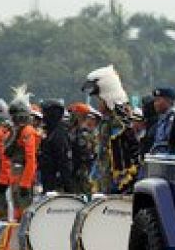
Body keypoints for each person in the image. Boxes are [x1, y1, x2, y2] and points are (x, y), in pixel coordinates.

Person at [82, 65, 140, 194]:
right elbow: (101, 153)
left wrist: (119, 182)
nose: (99, 104)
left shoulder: (119, 122)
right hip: (104, 179)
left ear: (107, 99)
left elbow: (121, 156)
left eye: (100, 100)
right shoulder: (106, 121)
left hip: (116, 184)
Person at [0, 88, 40, 219]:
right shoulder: (17, 131)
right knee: (16, 209)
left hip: (22, 176)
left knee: (23, 210)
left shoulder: (27, 131)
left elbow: (30, 159)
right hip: (16, 175)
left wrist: (25, 183)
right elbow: (8, 152)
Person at [39, 99, 73, 194]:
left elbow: (63, 160)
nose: (43, 116)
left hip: (56, 183)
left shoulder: (58, 134)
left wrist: (67, 184)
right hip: (48, 179)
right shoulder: (51, 131)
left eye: (45, 113)